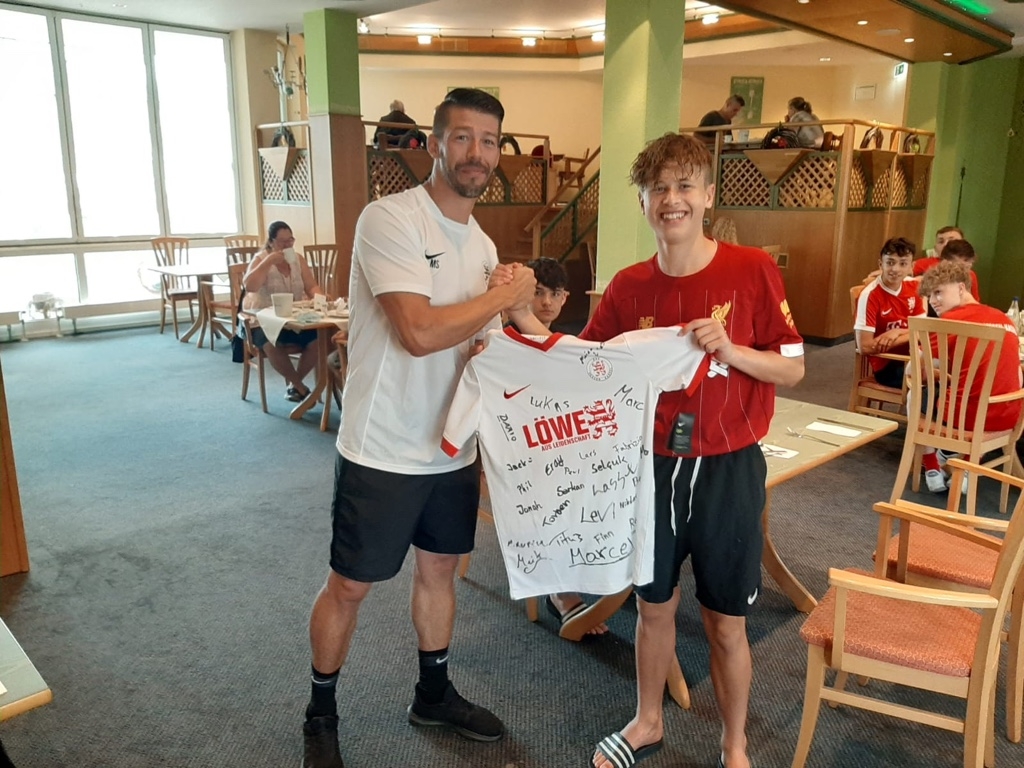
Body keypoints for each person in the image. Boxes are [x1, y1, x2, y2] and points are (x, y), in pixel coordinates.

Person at [301, 88, 539, 768]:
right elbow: (418, 332)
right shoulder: (389, 219)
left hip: (450, 448)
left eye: (488, 140)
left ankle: (432, 694)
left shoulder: (484, 244)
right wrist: (502, 296)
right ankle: (320, 713)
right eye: (461, 137)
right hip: (382, 446)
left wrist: (512, 324)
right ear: (434, 144)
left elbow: (476, 343)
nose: (476, 152)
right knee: (350, 586)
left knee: (440, 575)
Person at [583, 133, 805, 768]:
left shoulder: (751, 269)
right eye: (657, 188)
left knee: (724, 620)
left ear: (708, 195)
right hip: (651, 466)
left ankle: (735, 745)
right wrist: (521, 333)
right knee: (653, 607)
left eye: (684, 186)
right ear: (642, 202)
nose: (670, 199)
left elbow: (793, 370)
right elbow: (587, 364)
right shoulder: (627, 286)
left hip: (728, 469)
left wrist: (731, 350)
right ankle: (647, 721)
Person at [504, 257, 610, 637]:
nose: (546, 302)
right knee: (558, 484)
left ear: (566, 298)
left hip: (557, 444)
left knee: (609, 473)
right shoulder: (501, 342)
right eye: (537, 293)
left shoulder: (567, 344)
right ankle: (560, 591)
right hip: (517, 452)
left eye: (555, 293)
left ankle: (599, 566)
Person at [916, 260, 1023, 492]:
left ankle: (931, 464)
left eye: (938, 292)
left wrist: (938, 374)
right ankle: (966, 463)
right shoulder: (1005, 319)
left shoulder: (950, 322)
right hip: (1008, 417)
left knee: (915, 391)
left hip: (966, 418)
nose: (933, 301)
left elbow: (915, 370)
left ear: (961, 288)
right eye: (929, 295)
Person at [242, 221, 324, 401]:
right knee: (271, 343)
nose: (287, 245)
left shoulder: (298, 260)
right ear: (271, 242)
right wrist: (268, 262)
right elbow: (250, 286)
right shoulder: (261, 259)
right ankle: (300, 387)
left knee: (319, 340)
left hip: (292, 320)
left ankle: (294, 385)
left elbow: (311, 286)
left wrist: (320, 298)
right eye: (282, 242)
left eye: (290, 240)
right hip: (262, 321)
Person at [854, 237, 925, 389]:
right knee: (937, 385)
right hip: (887, 365)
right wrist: (910, 334)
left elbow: (923, 331)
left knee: (952, 376)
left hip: (913, 357)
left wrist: (897, 332)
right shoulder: (870, 295)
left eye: (903, 264)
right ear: (881, 264)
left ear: (911, 267)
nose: (895, 269)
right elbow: (864, 347)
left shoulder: (915, 286)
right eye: (890, 263)